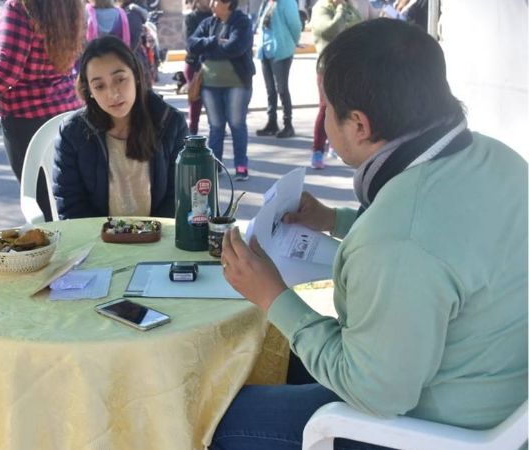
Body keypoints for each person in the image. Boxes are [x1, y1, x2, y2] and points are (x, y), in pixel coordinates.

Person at [213, 19, 528, 449]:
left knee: (216, 415)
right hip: (497, 392)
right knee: (284, 360)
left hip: (431, 427)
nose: (322, 124)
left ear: (359, 125)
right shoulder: (498, 159)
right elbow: (443, 244)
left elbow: (378, 395)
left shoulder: (398, 236)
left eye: (326, 112)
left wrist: (272, 296)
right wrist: (335, 220)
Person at [0, 0, 83, 222]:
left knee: (42, 203)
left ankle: (55, 252)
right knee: (70, 197)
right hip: (68, 110)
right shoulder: (69, 5)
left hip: (28, 118)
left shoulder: (18, 7)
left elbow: (5, 73)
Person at [52, 36, 187, 219]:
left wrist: (151, 236)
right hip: (98, 240)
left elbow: (180, 197)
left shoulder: (171, 123)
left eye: (120, 79)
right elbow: (71, 205)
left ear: (136, 76)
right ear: (89, 92)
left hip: (159, 238)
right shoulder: (72, 133)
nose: (113, 93)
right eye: (99, 86)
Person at [187, 0, 255, 182]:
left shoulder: (242, 22)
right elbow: (192, 44)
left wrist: (208, 48)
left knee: (237, 124)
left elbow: (236, 48)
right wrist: (214, 41)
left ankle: (241, 166)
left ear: (227, 3)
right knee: (215, 127)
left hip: (237, 84)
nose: (211, 4)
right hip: (209, 85)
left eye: (215, 1)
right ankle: (214, 166)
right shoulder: (209, 23)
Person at [308, 0, 361, 169]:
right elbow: (330, 29)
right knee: (326, 109)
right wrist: (340, 10)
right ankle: (317, 150)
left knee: (345, 108)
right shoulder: (322, 7)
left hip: (348, 67)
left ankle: (337, 146)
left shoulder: (348, 6)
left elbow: (360, 28)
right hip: (328, 69)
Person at [254, 0, 302, 139]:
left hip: (281, 51)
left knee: (281, 89)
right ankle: (272, 122)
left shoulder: (287, 2)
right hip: (266, 51)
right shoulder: (267, 3)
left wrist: (293, 42)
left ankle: (288, 124)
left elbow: (295, 26)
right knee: (270, 90)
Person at [183, 0, 211, 135]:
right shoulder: (191, 18)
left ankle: (217, 127)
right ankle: (193, 130)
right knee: (195, 99)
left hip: (212, 63)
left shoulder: (216, 16)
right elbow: (190, 43)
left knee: (213, 99)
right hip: (194, 64)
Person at [118, 0, 153, 86]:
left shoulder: (132, 13)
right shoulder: (127, 10)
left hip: (133, 61)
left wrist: (123, 59)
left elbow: (134, 40)